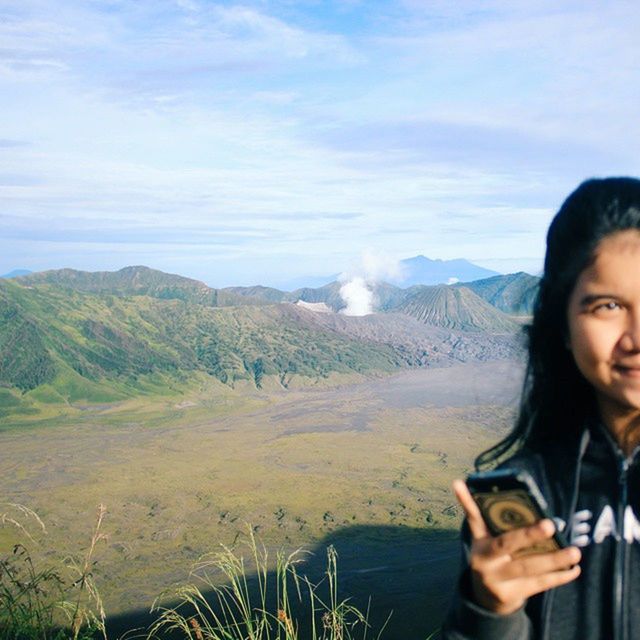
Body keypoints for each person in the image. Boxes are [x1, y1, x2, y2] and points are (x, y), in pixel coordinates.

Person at [442, 177, 640, 640]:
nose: (637, 339)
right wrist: (490, 611)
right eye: (608, 306)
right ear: (563, 326)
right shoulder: (521, 496)